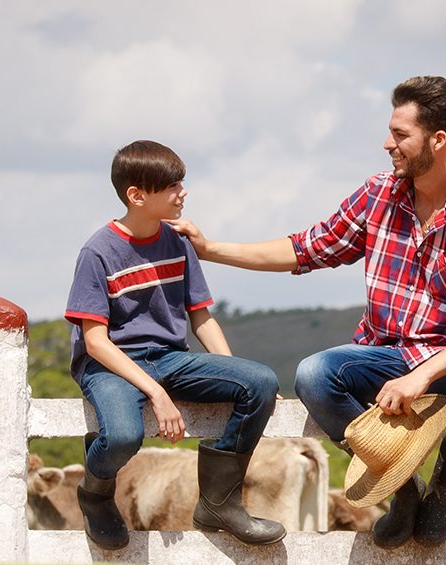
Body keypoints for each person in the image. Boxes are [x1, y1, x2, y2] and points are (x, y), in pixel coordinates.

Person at [168, 75, 446, 548]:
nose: (387, 144)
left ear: (438, 141)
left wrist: (420, 377)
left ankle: (442, 487)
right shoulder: (379, 194)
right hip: (385, 355)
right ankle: (402, 487)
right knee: (315, 374)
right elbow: (306, 249)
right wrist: (211, 249)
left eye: (400, 134)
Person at [64, 140, 285, 549]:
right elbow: (95, 343)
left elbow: (200, 315)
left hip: (168, 357)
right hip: (112, 363)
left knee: (260, 382)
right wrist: (157, 394)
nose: (183, 193)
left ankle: (219, 502)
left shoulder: (178, 242)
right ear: (137, 195)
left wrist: (232, 373)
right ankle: (94, 492)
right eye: (172, 186)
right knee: (124, 436)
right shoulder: (97, 252)